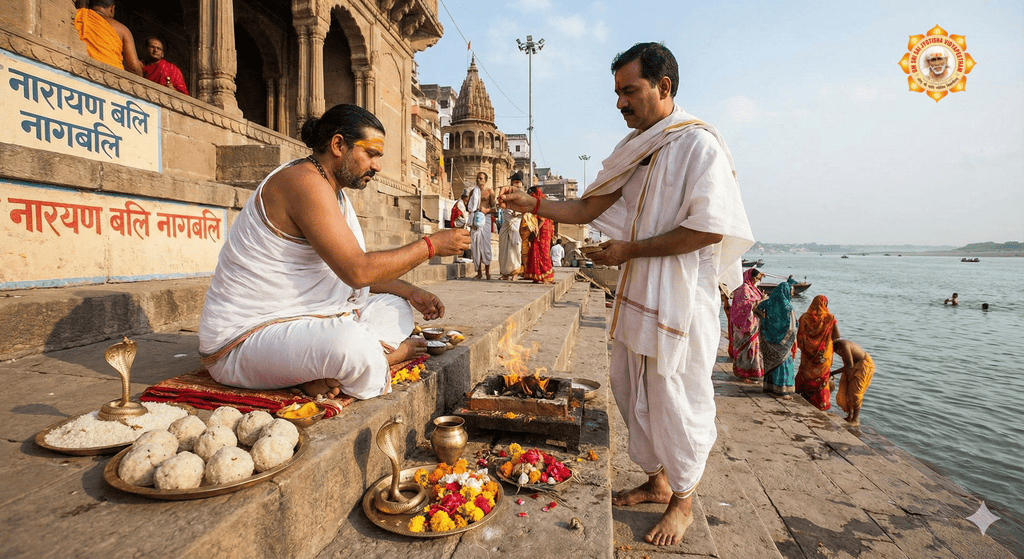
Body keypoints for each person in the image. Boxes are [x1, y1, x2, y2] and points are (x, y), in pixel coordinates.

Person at [498, 42, 753, 546]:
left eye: (629, 91)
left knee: (676, 396)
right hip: (640, 293)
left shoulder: (699, 146)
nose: (620, 103)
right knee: (631, 384)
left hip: (681, 297)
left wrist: (629, 249)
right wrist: (531, 201)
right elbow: (589, 208)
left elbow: (709, 230)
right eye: (616, 93)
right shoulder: (637, 149)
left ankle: (684, 500)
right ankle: (658, 481)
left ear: (664, 87)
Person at [199, 104, 470, 403]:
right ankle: (385, 358)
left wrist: (411, 293)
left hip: (305, 323)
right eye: (371, 154)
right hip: (248, 340)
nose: (377, 166)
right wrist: (430, 246)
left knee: (396, 308)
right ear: (338, 145)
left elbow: (342, 275)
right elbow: (358, 271)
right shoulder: (302, 182)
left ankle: (319, 372)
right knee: (352, 345)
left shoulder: (332, 190)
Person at [74, 0, 143, 76]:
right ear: (112, 9)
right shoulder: (122, 29)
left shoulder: (77, 14)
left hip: (76, 69)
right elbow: (134, 68)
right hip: (111, 77)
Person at [795, 295, 840, 410]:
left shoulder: (804, 317)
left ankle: (804, 396)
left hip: (807, 355)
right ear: (825, 305)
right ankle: (820, 404)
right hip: (823, 356)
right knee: (821, 379)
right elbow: (837, 336)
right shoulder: (830, 318)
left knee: (805, 374)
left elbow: (799, 336)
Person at [758, 283, 798, 399]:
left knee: (771, 364)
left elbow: (756, 309)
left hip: (768, 338)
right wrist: (789, 340)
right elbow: (792, 327)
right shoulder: (788, 307)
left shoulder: (769, 303)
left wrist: (764, 323)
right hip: (783, 342)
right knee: (784, 365)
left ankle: (770, 387)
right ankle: (782, 391)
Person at [729, 268, 765, 383]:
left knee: (753, 349)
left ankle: (751, 372)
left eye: (758, 279)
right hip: (744, 325)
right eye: (755, 278)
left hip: (753, 324)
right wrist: (759, 302)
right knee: (744, 350)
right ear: (750, 276)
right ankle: (743, 373)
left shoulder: (752, 288)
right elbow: (743, 306)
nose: (756, 281)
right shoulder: (743, 289)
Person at [833, 339, 875, 426]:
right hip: (853, 367)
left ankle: (855, 419)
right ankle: (849, 416)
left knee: (855, 393)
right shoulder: (836, 347)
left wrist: (832, 373)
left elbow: (849, 365)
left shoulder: (843, 345)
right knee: (848, 390)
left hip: (863, 365)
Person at [522, 187, 555, 283]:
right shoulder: (542, 201)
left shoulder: (538, 202)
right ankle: (537, 275)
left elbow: (542, 219)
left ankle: (547, 276)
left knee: (542, 252)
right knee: (535, 250)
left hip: (542, 230)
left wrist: (534, 231)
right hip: (543, 229)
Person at [498, 171, 524, 280]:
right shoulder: (506, 193)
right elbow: (500, 202)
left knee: (515, 248)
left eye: (518, 182)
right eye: (515, 182)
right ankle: (505, 274)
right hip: (506, 224)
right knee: (504, 250)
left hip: (515, 223)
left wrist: (516, 212)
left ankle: (515, 273)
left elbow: (525, 210)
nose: (516, 184)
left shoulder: (523, 196)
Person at [467, 172, 493, 279]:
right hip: (476, 221)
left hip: (486, 220)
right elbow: (468, 206)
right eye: (477, 178)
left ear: (485, 180)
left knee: (486, 246)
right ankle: (479, 273)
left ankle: (487, 272)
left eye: (481, 178)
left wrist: (486, 210)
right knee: (476, 246)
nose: (479, 180)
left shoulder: (490, 192)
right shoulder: (473, 191)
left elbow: (495, 208)